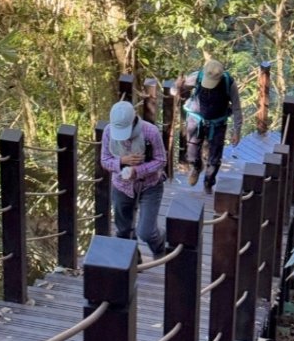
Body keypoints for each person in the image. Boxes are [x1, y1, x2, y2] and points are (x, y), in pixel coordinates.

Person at [101, 100, 167, 258]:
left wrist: (137, 171)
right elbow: (104, 160)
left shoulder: (151, 132)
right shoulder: (109, 132)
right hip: (121, 186)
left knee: (146, 232)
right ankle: (132, 261)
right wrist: (122, 162)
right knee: (123, 231)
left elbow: (161, 160)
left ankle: (160, 247)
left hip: (150, 185)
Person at [181, 59, 242, 194]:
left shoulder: (229, 83)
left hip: (218, 123)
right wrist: (178, 88)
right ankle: (196, 167)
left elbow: (237, 108)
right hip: (196, 120)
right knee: (191, 151)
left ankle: (208, 182)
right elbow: (182, 89)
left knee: (214, 157)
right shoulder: (196, 77)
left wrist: (237, 131)